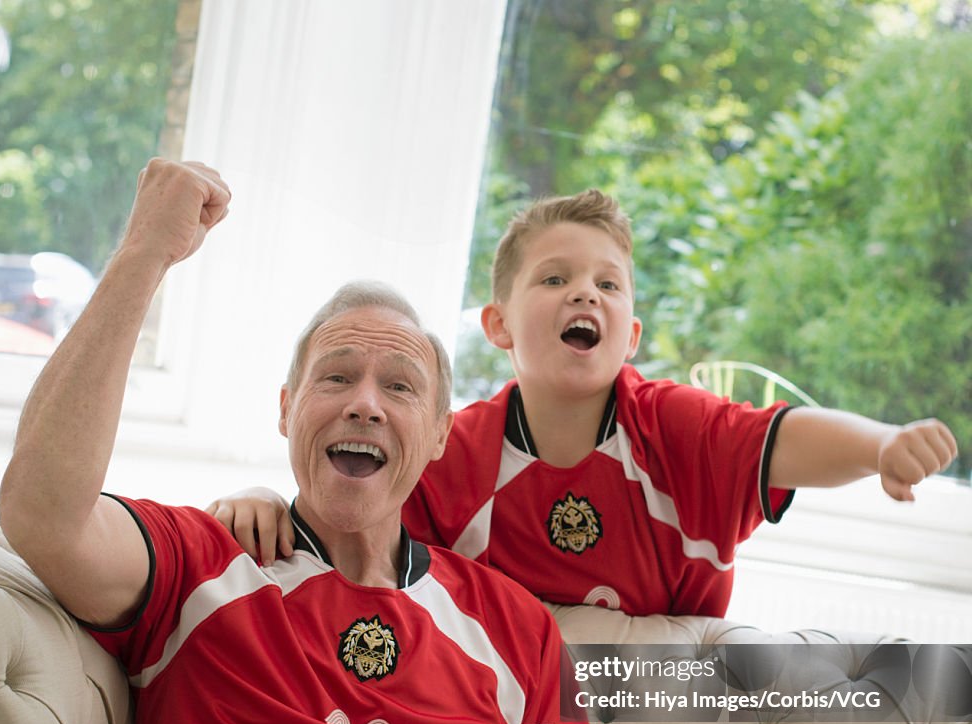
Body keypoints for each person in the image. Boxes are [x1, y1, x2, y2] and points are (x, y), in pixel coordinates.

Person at [0, 158, 731, 724]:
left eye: (400, 387)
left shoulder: (512, 622)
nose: (365, 406)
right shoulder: (202, 556)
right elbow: (43, 514)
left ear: (438, 436)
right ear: (286, 409)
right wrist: (144, 256)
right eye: (336, 378)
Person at [208, 189, 958, 618]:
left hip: (658, 698)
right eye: (554, 278)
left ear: (629, 335)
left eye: (607, 283)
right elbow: (352, 514)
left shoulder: (671, 426)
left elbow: (786, 438)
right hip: (496, 697)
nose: (583, 293)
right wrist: (259, 497)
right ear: (498, 325)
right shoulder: (451, 450)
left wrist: (880, 445)